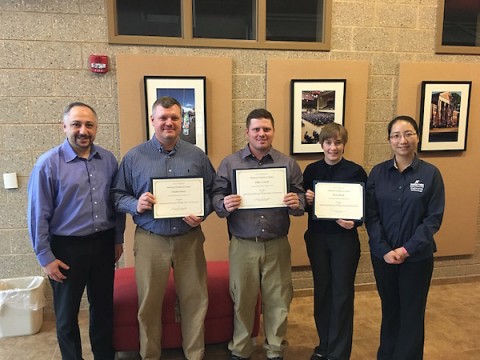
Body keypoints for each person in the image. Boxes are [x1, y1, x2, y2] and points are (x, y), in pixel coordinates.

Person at [112, 96, 215, 360]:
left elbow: (213, 192)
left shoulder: (197, 155)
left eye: (175, 118)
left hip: (189, 238)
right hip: (151, 239)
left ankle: (195, 354)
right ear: (153, 121)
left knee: (195, 300)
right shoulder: (134, 157)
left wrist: (202, 212)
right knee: (149, 303)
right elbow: (117, 195)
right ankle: (150, 355)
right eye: (163, 118)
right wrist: (137, 204)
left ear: (182, 121)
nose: (169, 123)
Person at [27, 102, 125, 360]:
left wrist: (117, 238)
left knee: (103, 308)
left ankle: (104, 356)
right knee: (66, 314)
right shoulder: (47, 165)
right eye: (76, 124)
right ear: (64, 127)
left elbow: (116, 203)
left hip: (103, 244)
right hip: (66, 249)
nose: (83, 130)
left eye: (89, 125)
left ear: (96, 128)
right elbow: (38, 215)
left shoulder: (108, 160)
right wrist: (45, 258)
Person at [212, 108, 305, 360]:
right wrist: (224, 204)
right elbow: (216, 196)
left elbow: (302, 199)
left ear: (273, 131)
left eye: (266, 129)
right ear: (247, 132)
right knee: (242, 299)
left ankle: (275, 349)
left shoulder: (287, 163)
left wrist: (297, 202)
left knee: (278, 300)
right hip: (243, 244)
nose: (261, 134)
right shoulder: (230, 163)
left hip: (277, 244)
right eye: (256, 129)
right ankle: (241, 348)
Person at [365, 115, 445, 360]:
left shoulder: (431, 174)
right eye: (396, 135)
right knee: (390, 311)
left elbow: (433, 219)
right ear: (389, 140)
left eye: (409, 134)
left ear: (417, 137)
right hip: (384, 258)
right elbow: (371, 216)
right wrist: (385, 250)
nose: (403, 140)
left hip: (416, 259)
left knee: (412, 313)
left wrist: (406, 250)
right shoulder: (378, 173)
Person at [303, 123, 367, 360]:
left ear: (344, 144)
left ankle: (339, 353)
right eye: (328, 142)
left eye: (338, 142)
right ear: (321, 144)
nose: (333, 147)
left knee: (342, 294)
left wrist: (355, 222)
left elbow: (364, 208)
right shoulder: (311, 171)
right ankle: (324, 346)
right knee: (322, 292)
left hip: (344, 241)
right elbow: (302, 205)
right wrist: (306, 199)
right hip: (318, 240)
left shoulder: (356, 171)